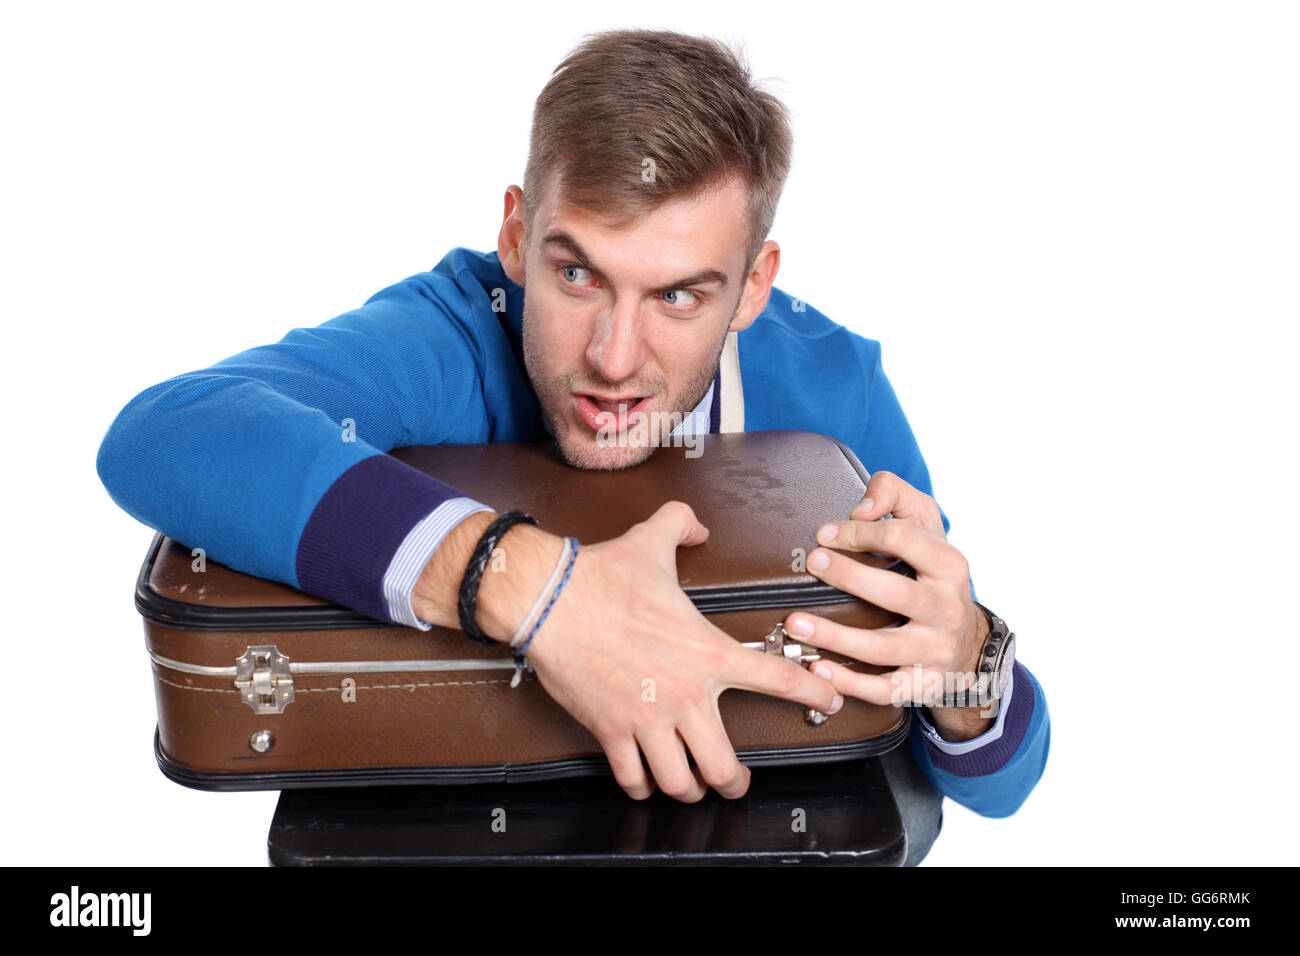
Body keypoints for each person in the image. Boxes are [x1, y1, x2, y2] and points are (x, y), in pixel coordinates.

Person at [97, 28, 1048, 864]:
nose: (614, 358)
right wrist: (532, 589)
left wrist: (967, 658)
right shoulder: (453, 337)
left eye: (679, 295)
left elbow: (999, 783)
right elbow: (165, 433)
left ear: (753, 287)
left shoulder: (836, 389)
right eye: (578, 274)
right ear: (516, 237)